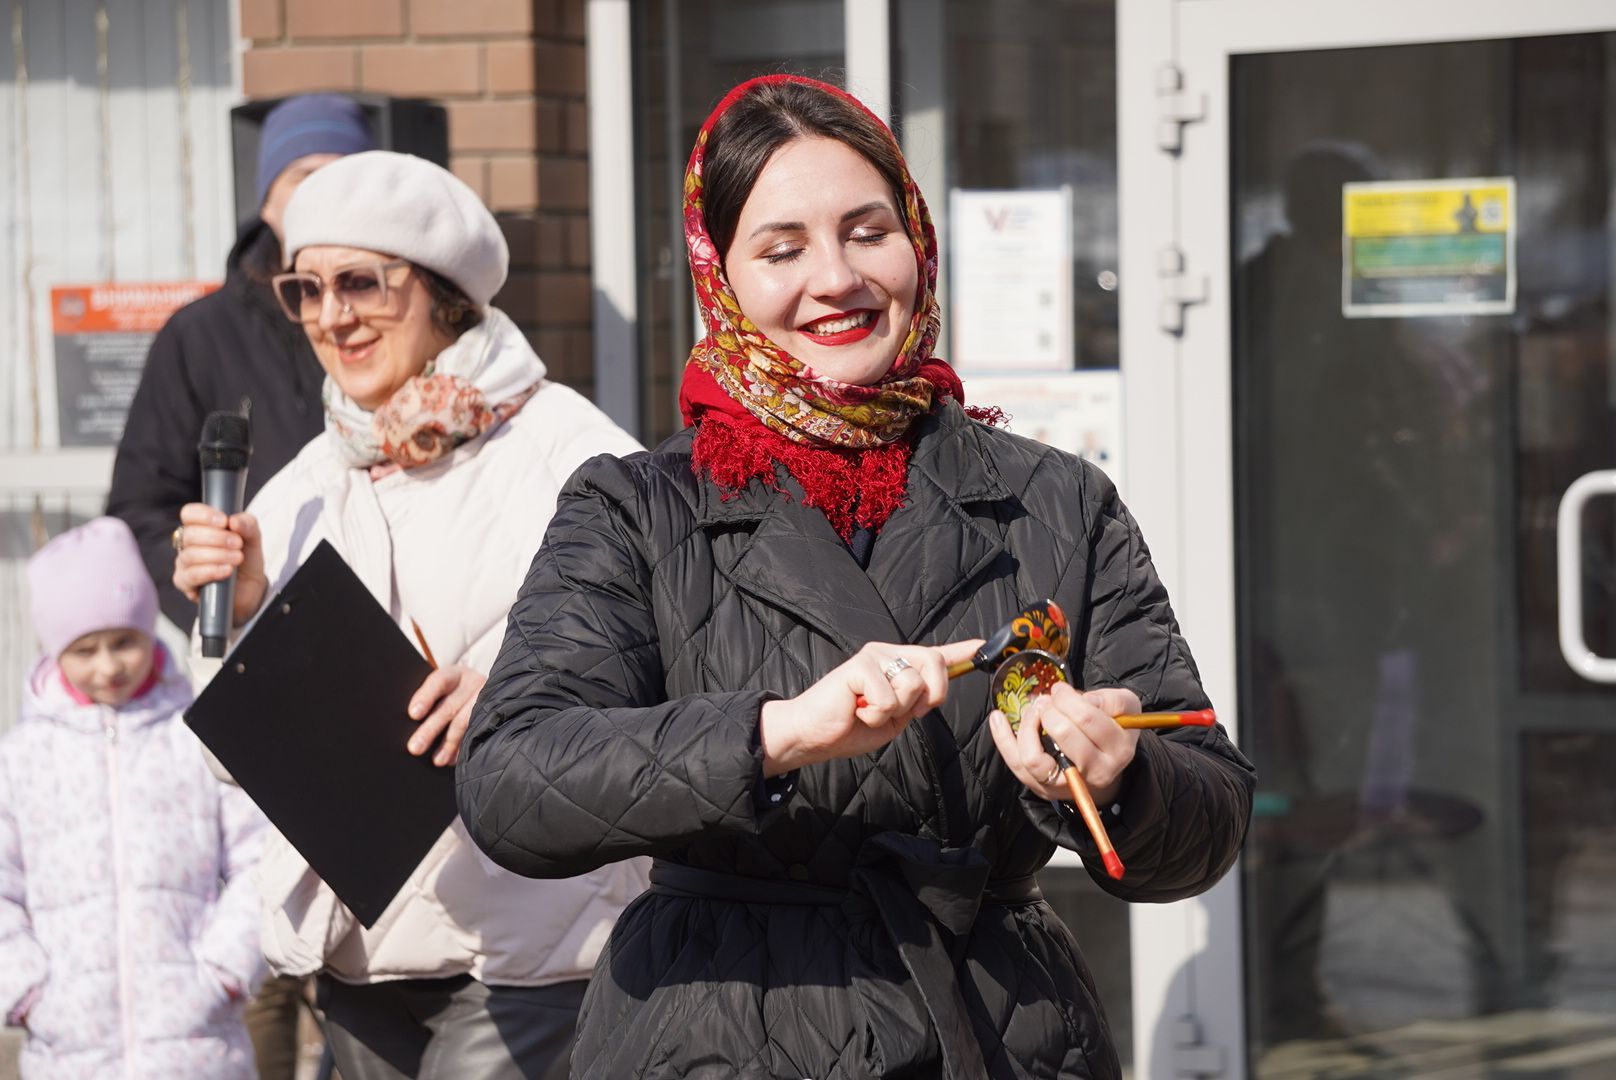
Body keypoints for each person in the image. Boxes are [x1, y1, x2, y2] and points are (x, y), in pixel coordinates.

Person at [457, 74, 1256, 1080]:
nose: (834, 279)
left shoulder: (1056, 501)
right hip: (717, 1030)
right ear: (722, 280)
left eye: (867, 232)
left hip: (1007, 1030)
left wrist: (1118, 777)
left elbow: (1208, 806)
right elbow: (513, 784)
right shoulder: (636, 507)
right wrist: (779, 732)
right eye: (781, 249)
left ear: (916, 246)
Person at [170, 149, 648, 1080]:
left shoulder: (571, 451)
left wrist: (519, 692)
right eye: (305, 289)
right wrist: (248, 612)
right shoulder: (299, 486)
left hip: (534, 939)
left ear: (445, 294)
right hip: (360, 948)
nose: (332, 316)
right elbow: (227, 761)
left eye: (362, 284)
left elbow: (662, 641)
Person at [0, 517, 267, 1078]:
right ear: (52, 651)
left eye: (124, 641)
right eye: (83, 650)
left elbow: (258, 858)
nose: (108, 666)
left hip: (196, 1044)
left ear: (150, 629)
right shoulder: (21, 758)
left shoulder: (196, 734)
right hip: (68, 1052)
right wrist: (25, 989)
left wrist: (224, 969)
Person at [109, 93, 374, 633]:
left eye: (344, 175)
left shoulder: (398, 323)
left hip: (397, 628)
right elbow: (143, 508)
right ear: (268, 203)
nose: (325, 192)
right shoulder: (198, 335)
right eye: (303, 175)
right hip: (255, 636)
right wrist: (210, 584)